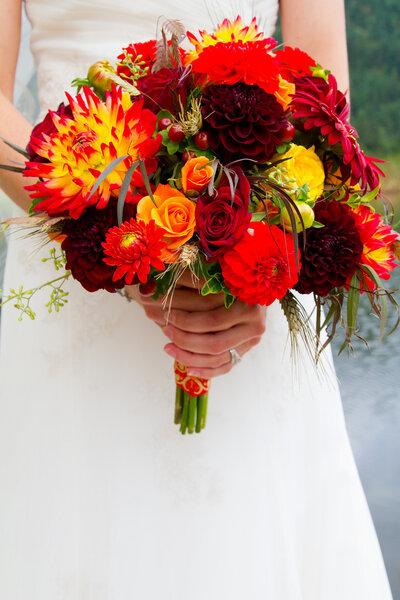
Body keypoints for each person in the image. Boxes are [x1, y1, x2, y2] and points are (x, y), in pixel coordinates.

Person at [0, 1, 393, 598]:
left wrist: (253, 260)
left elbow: (324, 97)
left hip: (254, 247)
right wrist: (116, 233)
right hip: (71, 241)